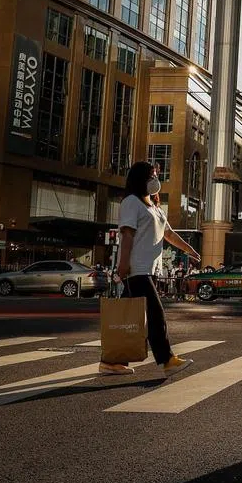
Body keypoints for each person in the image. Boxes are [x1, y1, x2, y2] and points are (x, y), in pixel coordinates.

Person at [102, 161, 202, 377]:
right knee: (155, 315)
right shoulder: (131, 202)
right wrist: (122, 268)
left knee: (133, 319)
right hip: (136, 269)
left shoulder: (154, 207)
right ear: (140, 179)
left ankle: (111, 361)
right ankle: (167, 360)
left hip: (149, 269)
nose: (156, 179)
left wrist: (190, 250)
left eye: (156, 174)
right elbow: (127, 235)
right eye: (151, 175)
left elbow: (169, 234)